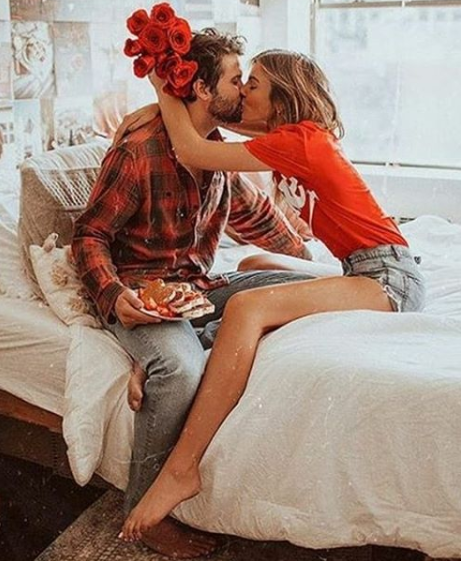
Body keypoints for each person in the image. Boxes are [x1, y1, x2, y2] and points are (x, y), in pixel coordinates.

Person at [118, 49, 426, 543]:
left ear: (281, 98)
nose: (243, 91)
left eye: (253, 83)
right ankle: (180, 344)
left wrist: (162, 88)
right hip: (366, 269)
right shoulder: (291, 136)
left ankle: (182, 468)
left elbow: (192, 150)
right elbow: (210, 123)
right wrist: (163, 108)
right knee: (253, 265)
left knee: (247, 304)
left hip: (388, 278)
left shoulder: (300, 142)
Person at [73, 33, 316, 559]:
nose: (243, 89)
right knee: (180, 372)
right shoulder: (139, 149)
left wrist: (310, 256)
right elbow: (88, 236)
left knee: (308, 292)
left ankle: (174, 348)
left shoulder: (214, 150)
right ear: (203, 89)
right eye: (235, 79)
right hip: (142, 293)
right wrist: (113, 295)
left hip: (199, 291)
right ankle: (146, 511)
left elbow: (256, 216)